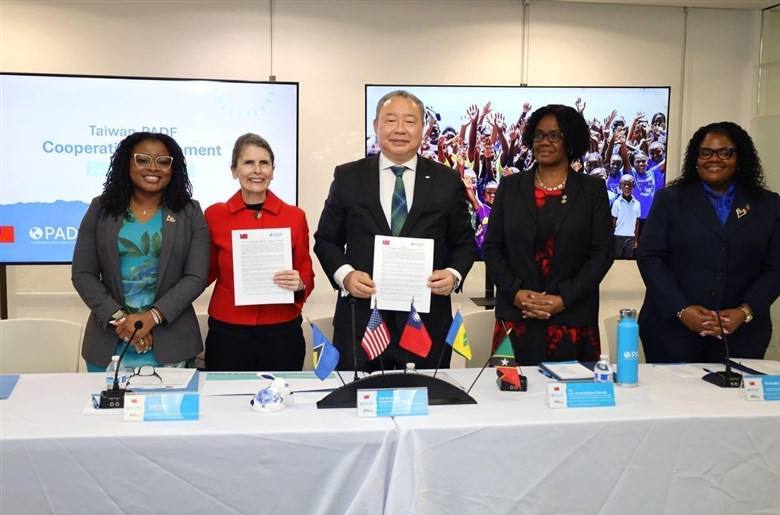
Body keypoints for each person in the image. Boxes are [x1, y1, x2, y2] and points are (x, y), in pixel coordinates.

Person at [314, 90, 475, 371]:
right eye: (390, 120)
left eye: (410, 121)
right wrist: (346, 276)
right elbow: (326, 240)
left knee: (427, 404)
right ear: (376, 126)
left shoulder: (446, 180)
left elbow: (464, 243)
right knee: (358, 407)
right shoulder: (348, 176)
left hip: (425, 323)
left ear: (423, 128)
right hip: (363, 321)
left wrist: (453, 275)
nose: (400, 129)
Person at [637, 121, 780, 363]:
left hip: (741, 333)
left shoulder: (766, 204)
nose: (714, 159)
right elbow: (650, 257)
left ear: (740, 157)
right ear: (695, 158)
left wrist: (745, 311)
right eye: (706, 152)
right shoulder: (670, 199)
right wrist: (682, 309)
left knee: (734, 400)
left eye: (725, 152)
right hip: (672, 331)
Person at [483, 104, 613, 365]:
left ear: (571, 140)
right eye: (539, 135)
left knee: (572, 402)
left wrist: (564, 298)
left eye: (554, 135)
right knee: (509, 401)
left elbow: (602, 254)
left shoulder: (592, 190)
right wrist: (516, 293)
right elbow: (493, 248)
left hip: (572, 317)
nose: (544, 142)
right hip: (518, 315)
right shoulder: (510, 187)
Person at [72, 132, 210, 372]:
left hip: (172, 342)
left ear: (173, 168)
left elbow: (196, 277)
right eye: (142, 159)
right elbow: (83, 274)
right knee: (108, 410)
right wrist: (124, 322)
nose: (153, 168)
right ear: (127, 163)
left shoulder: (190, 212)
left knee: (171, 410)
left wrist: (152, 317)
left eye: (163, 161)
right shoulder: (100, 209)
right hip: (109, 342)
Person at [204, 133, 314, 371]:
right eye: (248, 163)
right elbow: (205, 271)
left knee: (282, 403)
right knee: (224, 402)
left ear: (273, 171)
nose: (257, 170)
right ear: (234, 170)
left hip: (281, 332)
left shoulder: (294, 216)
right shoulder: (214, 215)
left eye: (264, 163)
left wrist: (300, 284)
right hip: (228, 332)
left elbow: (306, 273)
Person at [611, 175, 641, 258]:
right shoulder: (617, 203)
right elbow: (614, 220)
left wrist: (635, 239)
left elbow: (637, 222)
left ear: (633, 186)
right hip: (618, 236)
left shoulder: (637, 204)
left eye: (629, 185)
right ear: (620, 186)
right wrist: (612, 237)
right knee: (617, 259)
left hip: (631, 237)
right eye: (624, 184)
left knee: (628, 261)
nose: (627, 187)